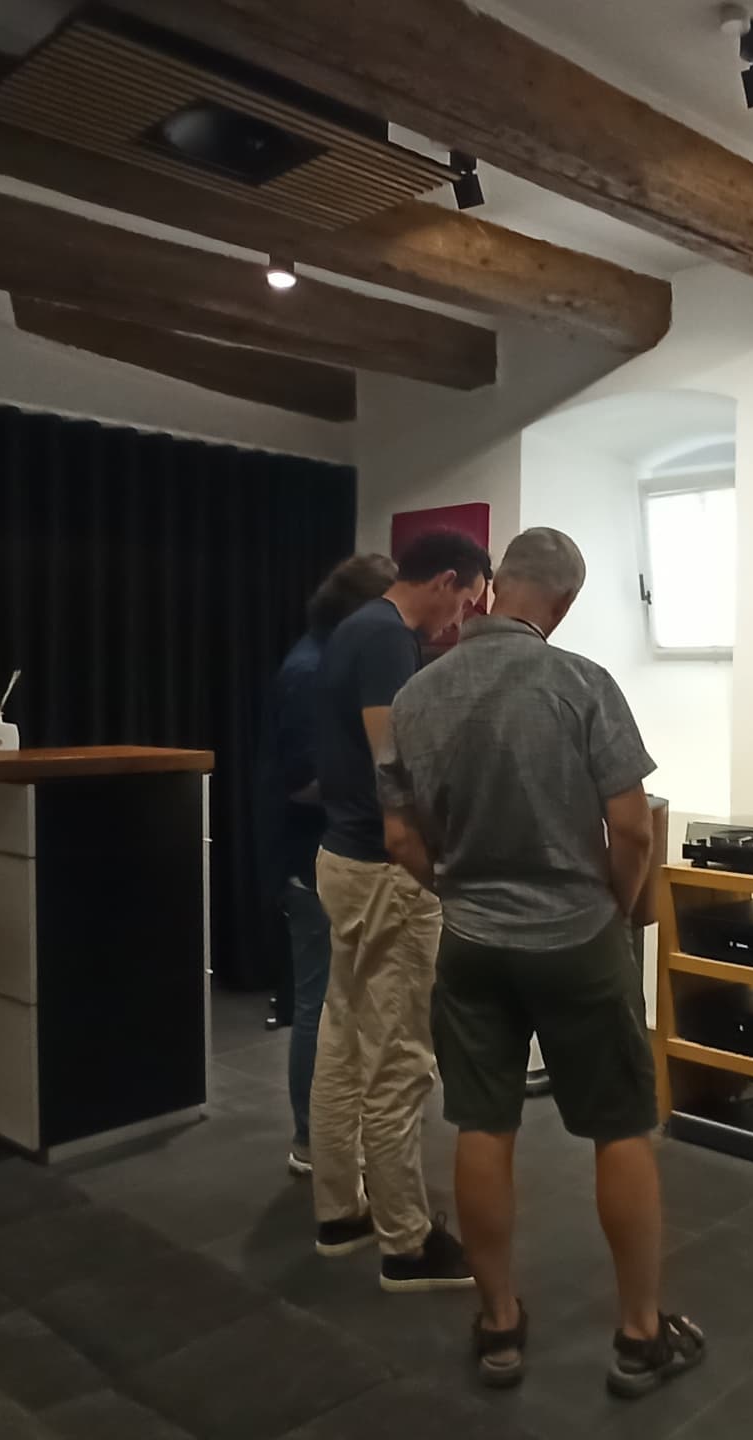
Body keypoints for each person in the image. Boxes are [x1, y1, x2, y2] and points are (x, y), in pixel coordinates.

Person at [379, 528, 705, 1395]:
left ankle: (498, 1324)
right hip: (576, 938)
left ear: (494, 589)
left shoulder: (414, 695)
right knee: (619, 1128)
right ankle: (640, 1335)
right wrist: (616, 904)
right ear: (561, 604)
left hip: (472, 944)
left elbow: (401, 837)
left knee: (482, 1125)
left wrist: (456, 890)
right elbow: (631, 828)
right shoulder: (582, 683)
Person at [309, 528, 492, 1292]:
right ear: (446, 580)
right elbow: (397, 765)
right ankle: (406, 1242)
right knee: (402, 1056)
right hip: (387, 873)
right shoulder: (388, 638)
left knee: (344, 1041)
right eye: (468, 599)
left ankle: (340, 1210)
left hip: (342, 859)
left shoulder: (356, 629)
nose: (463, 616)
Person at [266, 553, 396, 1177]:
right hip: (312, 855)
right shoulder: (310, 671)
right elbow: (299, 781)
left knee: (343, 1004)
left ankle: (333, 1135)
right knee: (321, 1004)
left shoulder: (328, 661)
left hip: (333, 852)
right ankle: (312, 1141)